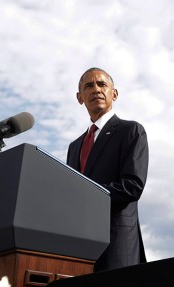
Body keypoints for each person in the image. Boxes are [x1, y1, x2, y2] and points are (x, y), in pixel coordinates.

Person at [67, 67, 149, 272]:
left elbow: (132, 186)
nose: (96, 89)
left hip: (116, 246)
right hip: (79, 246)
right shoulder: (74, 147)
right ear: (80, 97)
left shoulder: (130, 131)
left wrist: (86, 196)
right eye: (89, 86)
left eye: (102, 84)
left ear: (114, 93)